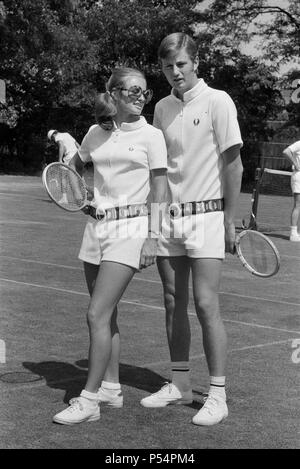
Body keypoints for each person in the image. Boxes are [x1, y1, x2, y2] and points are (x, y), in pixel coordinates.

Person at [52, 67, 168, 425]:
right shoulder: (94, 133)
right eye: (133, 90)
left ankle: (88, 401)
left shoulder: (152, 136)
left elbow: (161, 189)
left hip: (130, 230)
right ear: (114, 93)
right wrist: (76, 194)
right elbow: (70, 170)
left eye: (144, 92)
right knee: (108, 314)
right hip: (96, 229)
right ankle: (112, 389)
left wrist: (153, 235)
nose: (139, 97)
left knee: (96, 314)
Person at [140, 33, 243, 426]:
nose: (175, 71)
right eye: (168, 66)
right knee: (171, 300)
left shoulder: (219, 101)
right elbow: (158, 172)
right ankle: (180, 383)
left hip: (208, 218)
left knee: (205, 303)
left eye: (181, 64)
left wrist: (229, 219)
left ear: (196, 62)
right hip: (168, 219)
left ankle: (217, 395)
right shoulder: (162, 107)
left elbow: (234, 165)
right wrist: (152, 223)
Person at [283, 141, 300, 241]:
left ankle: (296, 232)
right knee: (298, 204)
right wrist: (296, 164)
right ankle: (293, 234)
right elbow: (286, 151)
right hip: (298, 176)